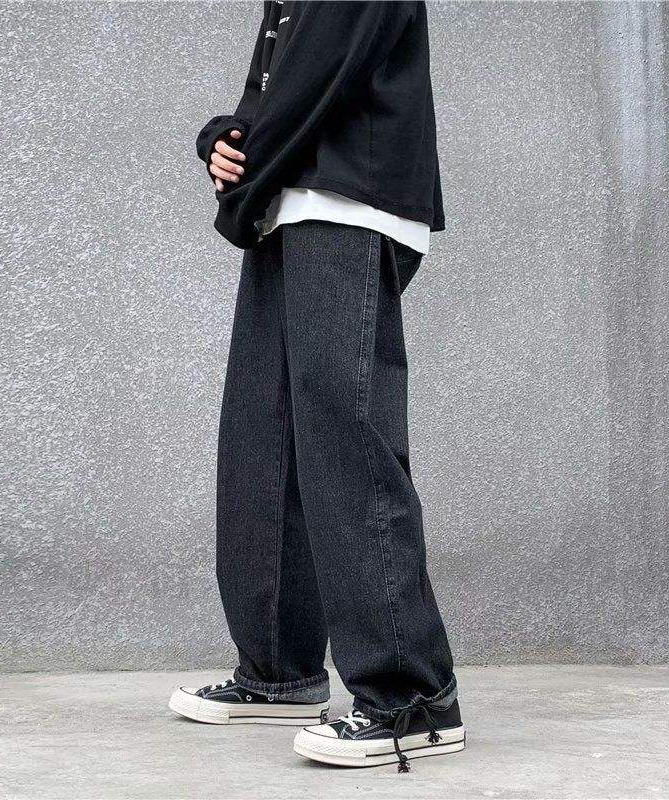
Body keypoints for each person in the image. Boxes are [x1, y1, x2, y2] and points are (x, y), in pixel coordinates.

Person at [169, 0, 464, 772]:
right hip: (290, 201)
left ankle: (412, 697)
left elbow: (320, 71)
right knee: (261, 440)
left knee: (345, 442)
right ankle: (279, 670)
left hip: (351, 198)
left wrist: (244, 182)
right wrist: (226, 140)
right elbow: (272, 81)